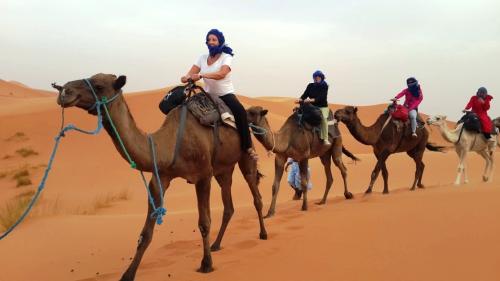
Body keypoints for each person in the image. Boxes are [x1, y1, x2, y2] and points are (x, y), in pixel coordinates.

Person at [181, 29, 257, 160]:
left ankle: (247, 146)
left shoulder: (226, 57)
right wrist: (185, 78)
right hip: (208, 94)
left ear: (220, 41)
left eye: (214, 40)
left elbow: (221, 74)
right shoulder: (202, 58)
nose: (211, 42)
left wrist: (201, 75)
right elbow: (189, 74)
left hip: (225, 94)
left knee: (240, 112)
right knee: (186, 108)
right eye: (209, 40)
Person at [298, 70, 330, 145]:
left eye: (318, 77)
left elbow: (321, 98)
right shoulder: (310, 86)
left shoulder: (324, 86)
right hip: (311, 106)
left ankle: (325, 138)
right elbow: (304, 95)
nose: (316, 78)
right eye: (315, 77)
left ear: (321, 78)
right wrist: (300, 99)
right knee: (299, 114)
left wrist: (310, 100)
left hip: (322, 107)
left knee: (323, 119)